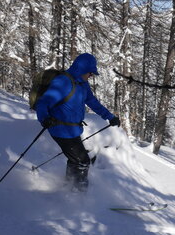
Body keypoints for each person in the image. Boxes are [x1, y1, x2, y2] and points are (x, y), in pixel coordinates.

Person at [36, 53, 120, 192]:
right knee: (83, 161)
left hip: (73, 130)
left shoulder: (82, 84)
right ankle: (79, 193)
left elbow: (93, 102)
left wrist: (109, 116)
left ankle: (69, 186)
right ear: (82, 70)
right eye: (90, 73)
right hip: (60, 129)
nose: (91, 76)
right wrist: (44, 118)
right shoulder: (63, 82)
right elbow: (43, 102)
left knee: (75, 159)